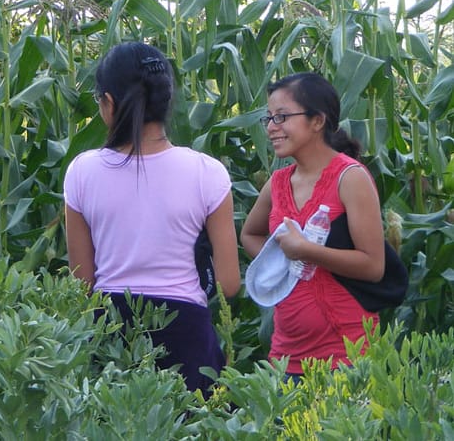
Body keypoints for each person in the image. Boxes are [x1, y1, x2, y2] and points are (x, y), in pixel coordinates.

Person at [64, 42, 241, 397]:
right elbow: (229, 284)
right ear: (166, 100)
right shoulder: (208, 172)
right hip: (186, 331)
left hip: (111, 329)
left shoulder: (83, 171)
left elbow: (81, 282)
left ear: (109, 103)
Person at [240, 72, 385, 379]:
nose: (270, 127)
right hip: (285, 356)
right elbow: (250, 234)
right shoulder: (278, 182)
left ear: (317, 121)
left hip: (345, 355)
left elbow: (373, 266)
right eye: (269, 118)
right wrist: (279, 260)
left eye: (281, 117)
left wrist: (306, 251)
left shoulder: (350, 178)